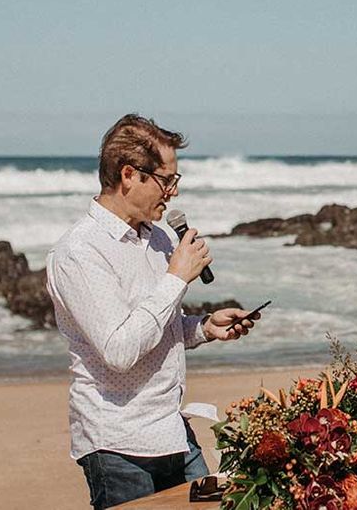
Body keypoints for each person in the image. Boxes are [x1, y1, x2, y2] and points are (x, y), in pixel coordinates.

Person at [46, 114, 260, 509]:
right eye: (167, 180)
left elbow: (158, 325)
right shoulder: (79, 252)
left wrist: (203, 328)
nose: (173, 193)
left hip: (172, 430)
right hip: (118, 446)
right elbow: (120, 349)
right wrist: (177, 278)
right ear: (129, 175)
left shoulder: (160, 236)